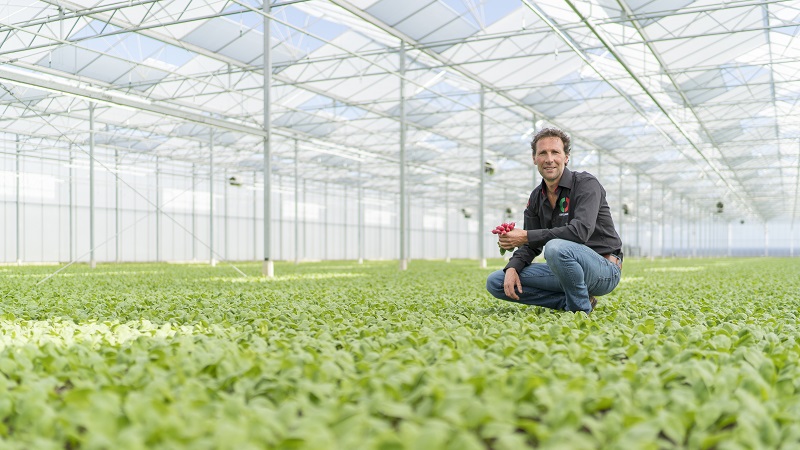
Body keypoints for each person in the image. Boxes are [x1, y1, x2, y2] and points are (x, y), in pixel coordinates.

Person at [485, 127, 623, 314]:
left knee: (556, 247)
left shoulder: (586, 184)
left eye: (555, 152)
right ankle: (575, 301)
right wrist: (512, 267)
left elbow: (580, 232)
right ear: (535, 159)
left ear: (566, 157)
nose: (549, 159)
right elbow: (530, 245)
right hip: (566, 270)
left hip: (603, 270)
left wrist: (525, 236)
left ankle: (579, 312)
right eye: (543, 153)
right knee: (496, 281)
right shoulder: (536, 197)